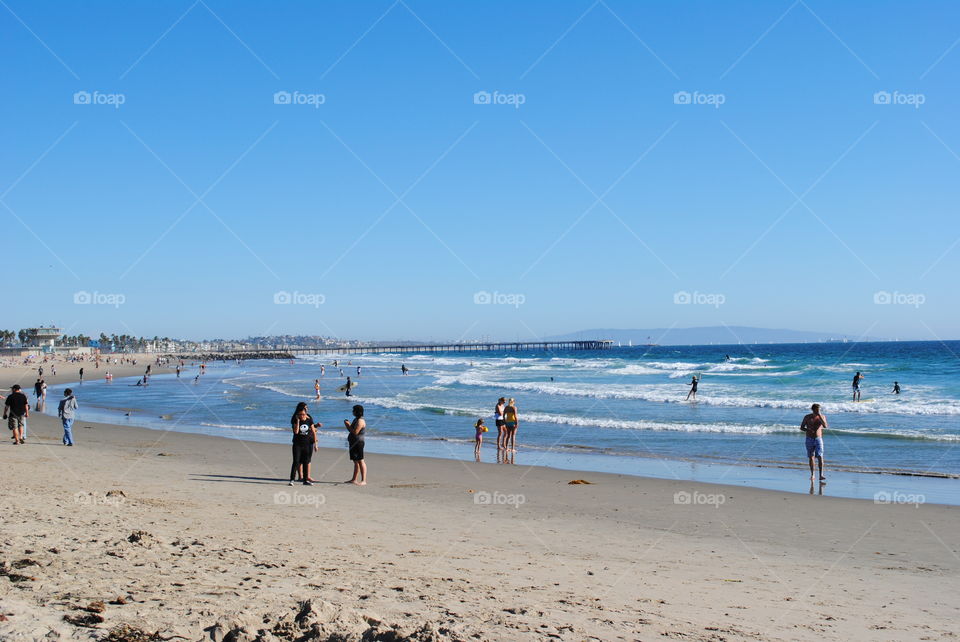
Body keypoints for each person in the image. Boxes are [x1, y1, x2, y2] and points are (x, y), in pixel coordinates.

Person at [289, 402, 320, 486]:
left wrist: (315, 444)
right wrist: (298, 421)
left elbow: (313, 431)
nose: (302, 415)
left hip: (307, 443)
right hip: (297, 444)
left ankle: (305, 480)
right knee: (296, 461)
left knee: (306, 462)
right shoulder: (295, 419)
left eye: (303, 414)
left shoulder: (309, 419)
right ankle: (292, 480)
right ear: (298, 414)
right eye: (300, 414)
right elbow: (296, 432)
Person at [800, 403, 828, 482]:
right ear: (813, 410)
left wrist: (819, 415)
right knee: (811, 457)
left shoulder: (822, 417)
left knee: (820, 456)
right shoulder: (807, 417)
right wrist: (808, 430)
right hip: (809, 439)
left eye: (819, 410)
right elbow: (801, 427)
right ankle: (812, 474)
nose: (818, 411)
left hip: (818, 439)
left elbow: (825, 426)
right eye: (816, 410)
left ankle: (821, 475)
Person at [344, 404, 367, 485]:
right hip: (353, 442)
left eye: (353, 410)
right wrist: (348, 425)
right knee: (355, 461)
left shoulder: (360, 421)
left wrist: (347, 425)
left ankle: (363, 480)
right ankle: (354, 479)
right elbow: (351, 431)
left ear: (357, 412)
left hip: (358, 443)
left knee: (360, 460)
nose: (352, 412)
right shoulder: (356, 419)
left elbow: (355, 432)